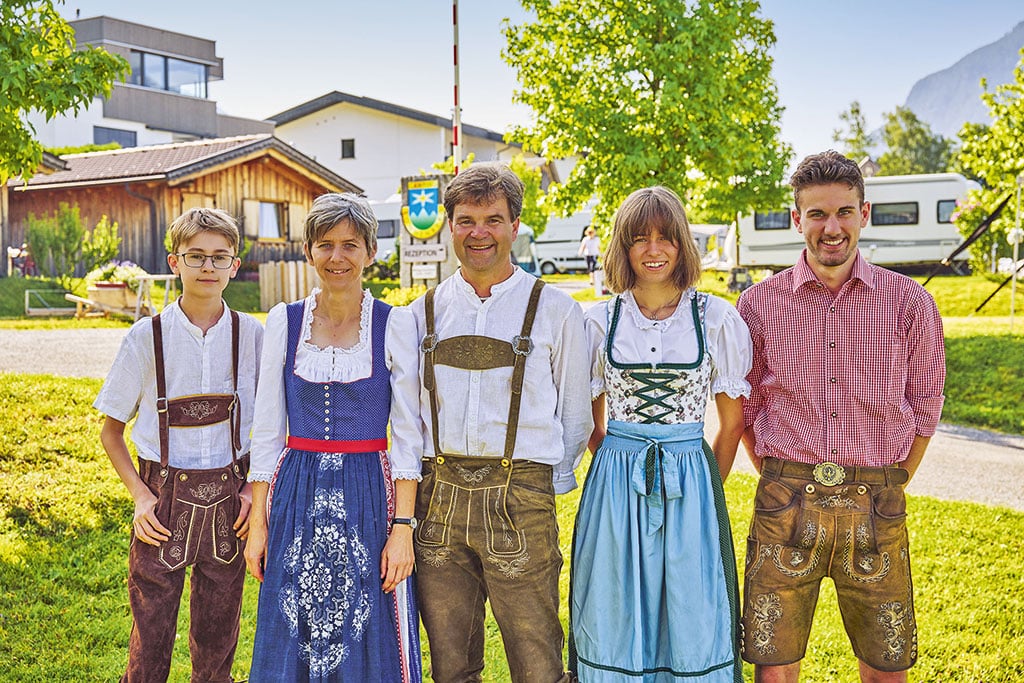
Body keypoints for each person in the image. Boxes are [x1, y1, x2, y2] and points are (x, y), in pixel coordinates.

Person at [737, 150, 946, 683]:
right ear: (796, 219)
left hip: (876, 504)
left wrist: (890, 484)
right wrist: (778, 476)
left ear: (864, 214)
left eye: (844, 212)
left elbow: (926, 405)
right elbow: (745, 403)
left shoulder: (909, 303)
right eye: (817, 214)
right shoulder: (758, 305)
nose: (832, 228)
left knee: (886, 665)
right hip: (785, 502)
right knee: (772, 664)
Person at [408, 162, 593, 682]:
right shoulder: (421, 313)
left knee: (536, 656)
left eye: (493, 219)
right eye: (466, 220)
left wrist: (544, 486)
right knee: (449, 660)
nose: (479, 233)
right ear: (449, 226)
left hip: (522, 497)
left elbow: (575, 411)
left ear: (516, 225)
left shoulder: (556, 310)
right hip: (437, 495)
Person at [570, 186, 750, 682]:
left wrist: (703, 481)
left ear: (682, 245)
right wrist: (615, 456)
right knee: (614, 594)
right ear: (622, 247)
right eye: (640, 239)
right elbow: (588, 414)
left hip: (690, 478)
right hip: (617, 480)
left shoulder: (715, 318)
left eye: (666, 238)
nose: (654, 250)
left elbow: (732, 424)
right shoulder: (598, 321)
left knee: (691, 597)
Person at [245, 193, 421, 682]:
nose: (337, 258)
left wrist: (402, 527)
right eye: (325, 245)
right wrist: (258, 522)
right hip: (295, 489)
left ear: (370, 251)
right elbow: (266, 429)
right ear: (308, 252)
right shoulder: (284, 320)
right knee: (292, 622)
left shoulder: (394, 323)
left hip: (369, 490)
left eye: (350, 245)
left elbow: (408, 435)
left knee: (368, 623)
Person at [94, 208, 263, 682]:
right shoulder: (146, 337)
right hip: (162, 496)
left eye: (218, 257)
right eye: (196, 256)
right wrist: (141, 496)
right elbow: (110, 430)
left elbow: (274, 427)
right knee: (150, 634)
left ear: (234, 264)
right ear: (175, 262)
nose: (207, 267)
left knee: (218, 634)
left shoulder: (253, 336)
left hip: (231, 499)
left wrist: (252, 490)